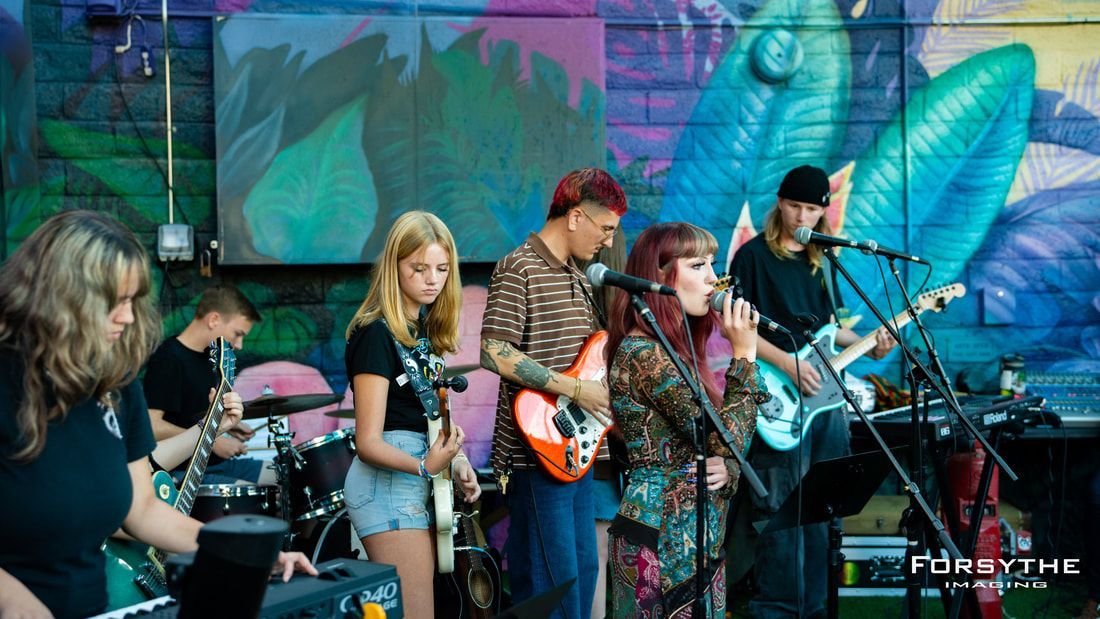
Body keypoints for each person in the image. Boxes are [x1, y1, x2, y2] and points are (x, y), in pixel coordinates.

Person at [0, 210, 315, 619]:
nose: (128, 317)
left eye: (132, 301)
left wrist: (244, 556)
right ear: (61, 294)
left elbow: (143, 509)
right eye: (115, 301)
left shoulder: (116, 384)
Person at [729, 165, 895, 618]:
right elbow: (735, 325)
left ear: (823, 212)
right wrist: (786, 362)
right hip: (777, 397)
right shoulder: (752, 258)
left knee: (826, 507)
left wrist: (874, 343)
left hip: (824, 403)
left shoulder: (821, 260)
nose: (802, 214)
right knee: (783, 510)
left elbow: (827, 330)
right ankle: (777, 609)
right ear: (779, 203)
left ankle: (817, 608)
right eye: (794, 205)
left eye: (812, 208)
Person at [480, 167, 627, 619]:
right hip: (535, 453)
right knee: (554, 582)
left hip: (573, 454)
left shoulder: (580, 276)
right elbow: (494, 350)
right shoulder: (518, 265)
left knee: (580, 571)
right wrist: (576, 389)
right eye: (605, 229)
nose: (607, 240)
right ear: (576, 216)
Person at [604, 222, 765, 618]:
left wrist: (726, 468)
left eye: (713, 264)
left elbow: (720, 448)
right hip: (657, 538)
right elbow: (724, 437)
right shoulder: (643, 353)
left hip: (698, 536)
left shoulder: (681, 352)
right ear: (658, 276)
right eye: (697, 265)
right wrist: (744, 355)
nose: (713, 279)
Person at [343, 210, 481, 619]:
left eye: (441, 268)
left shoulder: (422, 336)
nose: (432, 279)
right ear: (394, 267)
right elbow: (367, 442)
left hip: (416, 477)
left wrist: (456, 461)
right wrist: (425, 466)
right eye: (418, 268)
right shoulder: (375, 334)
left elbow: (431, 419)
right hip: (388, 483)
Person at [142, 284, 274, 485]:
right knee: (251, 499)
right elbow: (152, 425)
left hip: (216, 463)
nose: (239, 345)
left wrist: (229, 427)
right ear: (213, 319)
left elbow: (192, 416)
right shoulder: (169, 358)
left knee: (282, 478)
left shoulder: (210, 358)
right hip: (184, 472)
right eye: (237, 334)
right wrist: (212, 441)